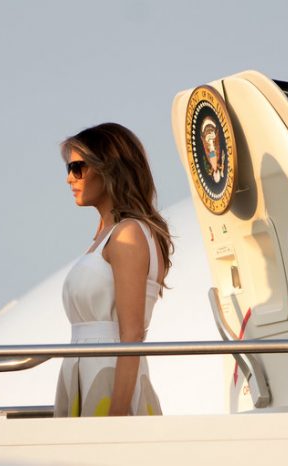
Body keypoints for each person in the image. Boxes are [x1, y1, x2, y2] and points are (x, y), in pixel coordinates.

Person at [54, 122, 174, 417]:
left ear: (107, 167)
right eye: (68, 169)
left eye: (78, 168)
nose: (70, 179)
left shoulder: (128, 233)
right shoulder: (107, 235)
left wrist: (118, 415)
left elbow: (132, 333)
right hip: (87, 369)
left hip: (110, 374)